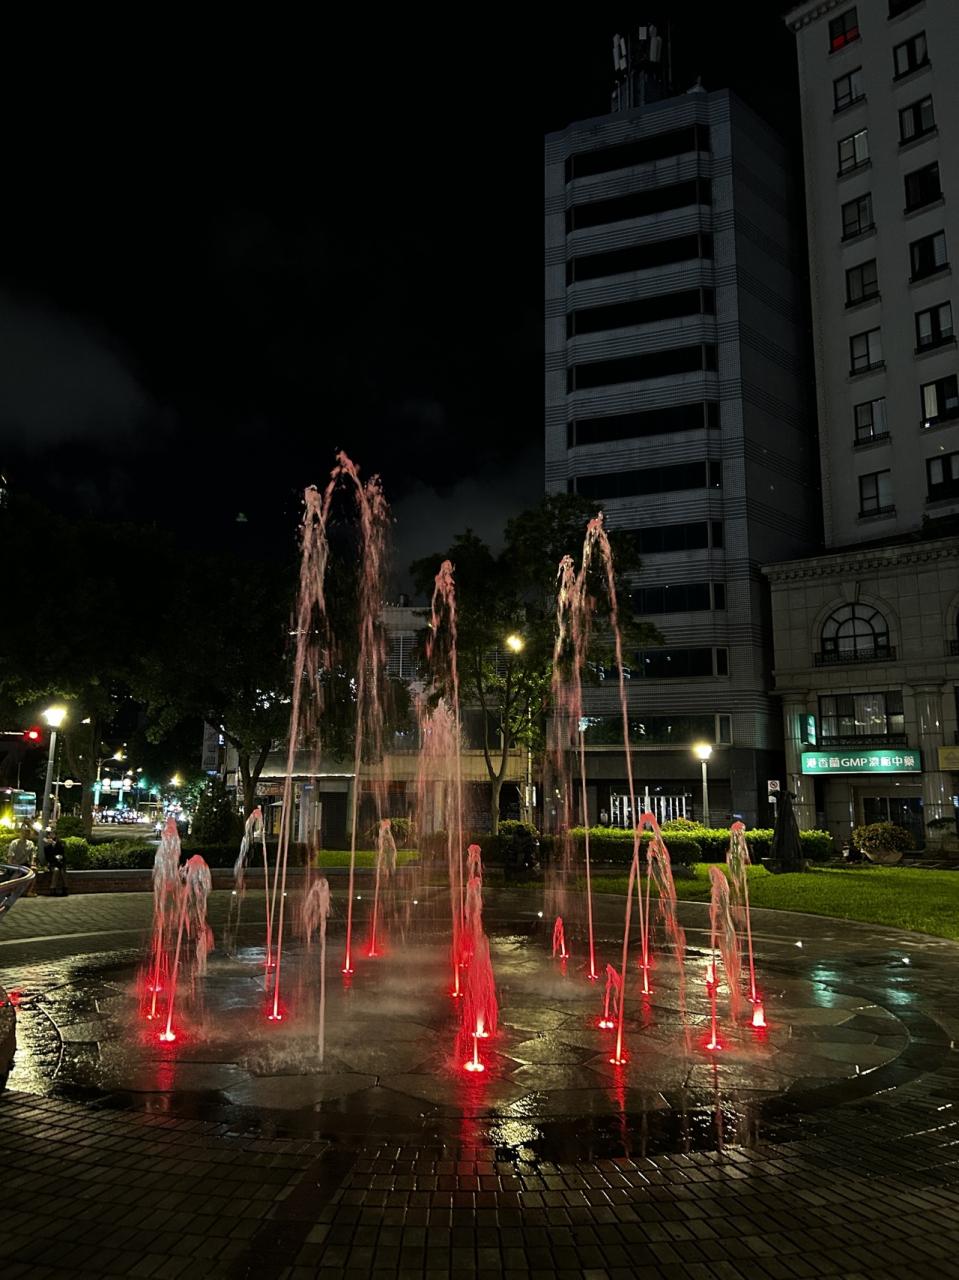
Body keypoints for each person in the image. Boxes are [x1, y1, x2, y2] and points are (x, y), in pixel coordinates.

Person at [44, 830, 69, 896]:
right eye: (50, 834)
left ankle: (65, 888)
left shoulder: (60, 843)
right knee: (56, 870)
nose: (52, 836)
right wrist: (55, 858)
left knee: (63, 871)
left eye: (53, 834)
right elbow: (48, 858)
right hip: (53, 864)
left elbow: (63, 855)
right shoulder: (46, 847)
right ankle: (52, 888)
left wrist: (60, 857)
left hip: (60, 863)